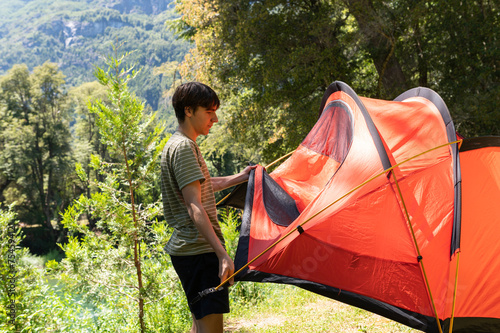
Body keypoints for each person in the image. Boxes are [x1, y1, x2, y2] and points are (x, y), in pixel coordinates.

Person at [160, 82, 256, 333]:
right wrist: (222, 254)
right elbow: (194, 205)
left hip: (191, 251)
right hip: (199, 252)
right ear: (189, 110)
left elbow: (201, 186)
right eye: (209, 111)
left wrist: (240, 177)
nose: (215, 118)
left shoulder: (178, 144)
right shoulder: (183, 147)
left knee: (199, 327)